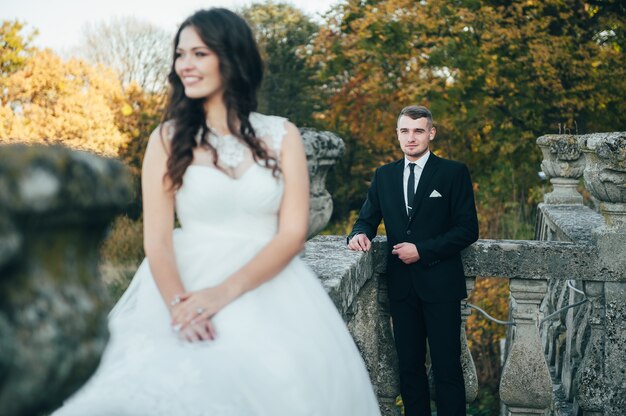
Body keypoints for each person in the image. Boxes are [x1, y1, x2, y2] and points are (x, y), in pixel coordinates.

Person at [53, 8, 380, 416]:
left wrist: (221, 294)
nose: (184, 65)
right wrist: (180, 307)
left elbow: (292, 233)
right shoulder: (167, 139)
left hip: (269, 288)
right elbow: (155, 238)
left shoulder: (283, 135)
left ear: (232, 58)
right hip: (182, 284)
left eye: (199, 53)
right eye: (180, 54)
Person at [347, 105, 478, 416]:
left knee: (447, 370)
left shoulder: (452, 173)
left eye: (418, 130)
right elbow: (366, 219)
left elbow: (467, 229)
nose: (411, 137)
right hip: (402, 288)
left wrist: (423, 249)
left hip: (441, 284)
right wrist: (358, 234)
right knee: (409, 369)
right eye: (404, 130)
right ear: (397, 134)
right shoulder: (384, 175)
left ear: (430, 133)